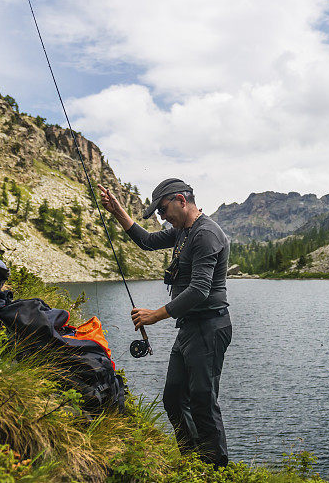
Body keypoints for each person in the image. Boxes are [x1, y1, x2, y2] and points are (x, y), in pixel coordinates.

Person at [98, 178, 232, 468]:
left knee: (203, 402)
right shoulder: (183, 231)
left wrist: (154, 315)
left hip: (210, 327)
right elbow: (147, 241)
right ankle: (194, 462)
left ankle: (217, 469)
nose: (161, 216)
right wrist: (117, 211)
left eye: (163, 209)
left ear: (181, 200)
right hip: (189, 328)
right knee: (173, 398)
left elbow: (200, 290)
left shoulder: (206, 234)